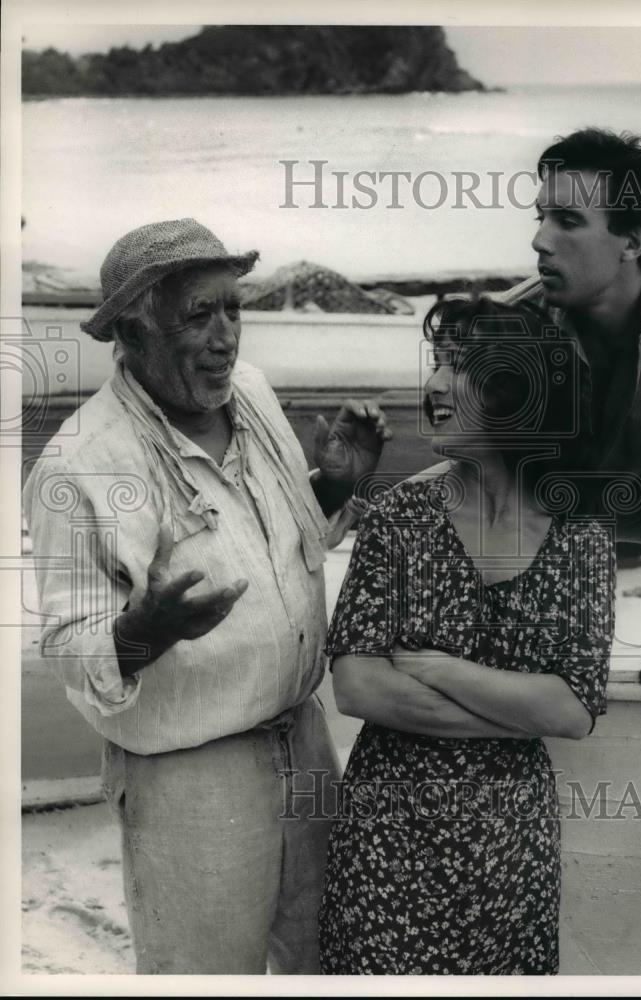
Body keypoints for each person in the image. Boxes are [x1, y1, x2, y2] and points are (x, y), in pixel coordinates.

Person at [22, 218, 391, 975]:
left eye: (233, 310)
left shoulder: (250, 392)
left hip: (305, 740)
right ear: (132, 329)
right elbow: (67, 645)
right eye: (199, 315)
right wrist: (145, 632)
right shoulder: (76, 468)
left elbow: (277, 538)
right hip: (192, 780)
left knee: (327, 963)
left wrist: (335, 487)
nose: (227, 338)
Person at [318, 296, 615, 974]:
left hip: (510, 865)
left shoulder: (581, 531)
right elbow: (358, 685)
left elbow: (571, 711)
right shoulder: (399, 517)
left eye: (458, 367)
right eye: (436, 365)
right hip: (386, 848)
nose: (433, 387)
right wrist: (517, 711)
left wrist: (436, 667)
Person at [442, 128, 641, 714]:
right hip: (551, 498)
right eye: (541, 216)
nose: (539, 240)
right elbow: (477, 479)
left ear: (633, 241)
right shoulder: (513, 322)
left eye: (567, 220)